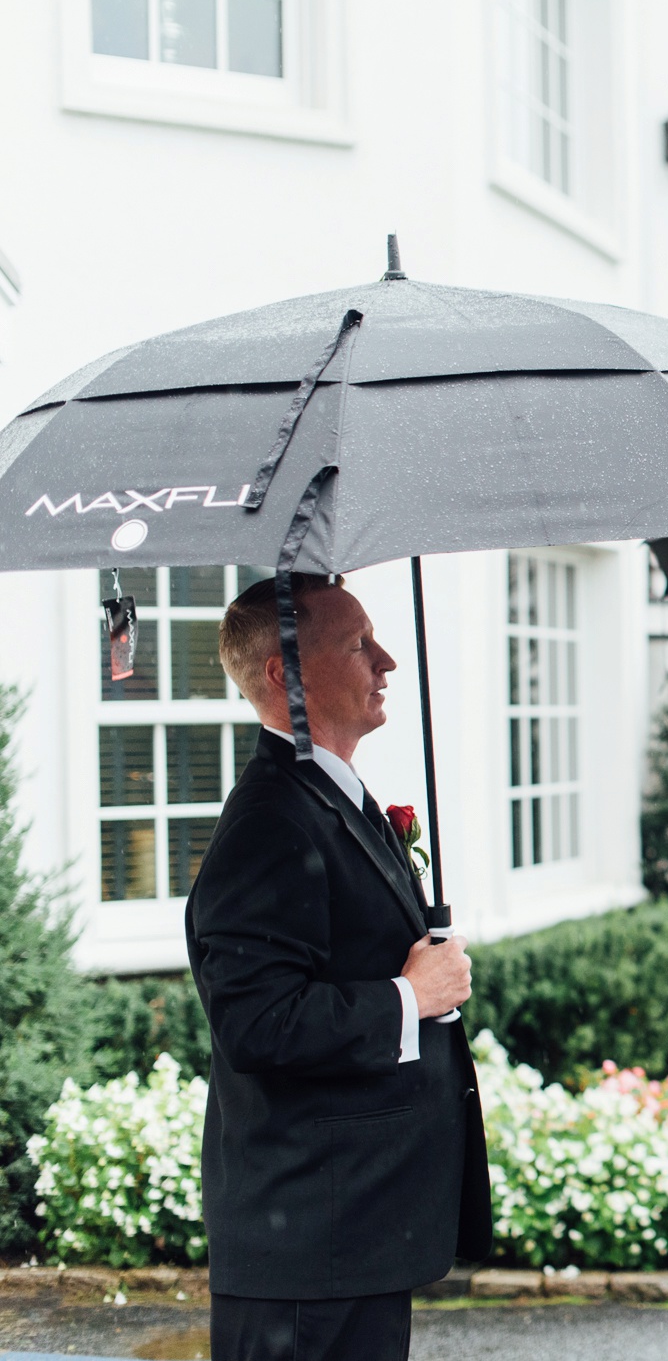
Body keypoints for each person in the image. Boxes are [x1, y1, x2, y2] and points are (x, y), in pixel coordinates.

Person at [187, 574, 490, 1361]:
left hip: (357, 1230)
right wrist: (408, 996)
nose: (387, 661)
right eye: (359, 644)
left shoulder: (334, 799)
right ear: (284, 675)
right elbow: (256, 1024)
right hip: (308, 1247)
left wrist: (427, 978)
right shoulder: (268, 824)